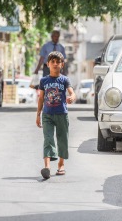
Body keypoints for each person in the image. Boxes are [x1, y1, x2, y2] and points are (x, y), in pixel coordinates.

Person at [36, 51, 76, 179]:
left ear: (62, 65)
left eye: (57, 62)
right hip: (47, 115)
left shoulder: (64, 80)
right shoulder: (43, 80)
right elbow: (41, 98)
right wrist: (38, 114)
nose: (55, 64)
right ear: (48, 64)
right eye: (52, 62)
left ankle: (61, 164)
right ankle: (47, 167)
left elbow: (72, 93)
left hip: (61, 114)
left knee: (62, 139)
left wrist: (71, 97)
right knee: (48, 139)